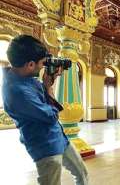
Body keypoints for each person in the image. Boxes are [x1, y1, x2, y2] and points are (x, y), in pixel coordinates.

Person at [2, 35, 88, 185]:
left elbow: (42, 100)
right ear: (30, 64)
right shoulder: (17, 91)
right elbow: (51, 116)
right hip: (45, 146)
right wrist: (49, 87)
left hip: (59, 138)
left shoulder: (24, 77)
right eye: (41, 63)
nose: (43, 66)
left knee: (82, 174)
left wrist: (46, 83)